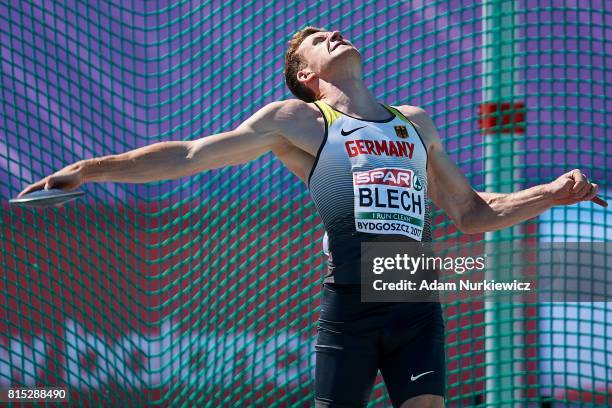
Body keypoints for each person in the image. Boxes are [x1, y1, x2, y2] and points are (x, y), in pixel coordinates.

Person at [18, 27, 604, 408]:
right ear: (306, 74)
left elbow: (472, 213)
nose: (333, 35)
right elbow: (191, 155)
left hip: (415, 305)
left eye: (333, 31)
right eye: (318, 41)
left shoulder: (414, 123)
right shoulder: (298, 121)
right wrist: (93, 168)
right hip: (349, 309)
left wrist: (550, 193)